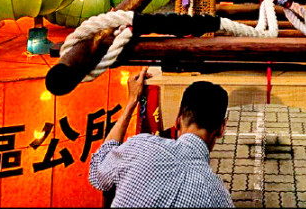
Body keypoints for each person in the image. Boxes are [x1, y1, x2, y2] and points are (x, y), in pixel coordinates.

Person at [90, 71, 233, 208]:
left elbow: (98, 171)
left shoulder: (140, 147)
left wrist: (132, 102)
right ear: (221, 128)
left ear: (177, 120)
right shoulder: (219, 198)